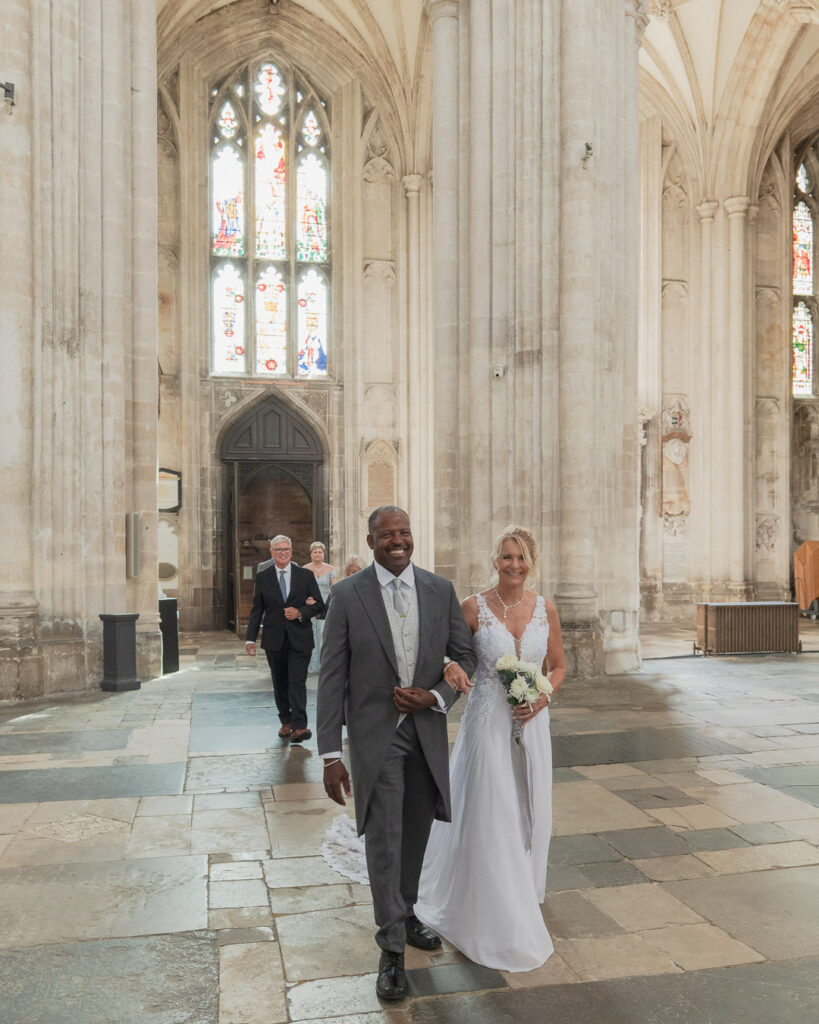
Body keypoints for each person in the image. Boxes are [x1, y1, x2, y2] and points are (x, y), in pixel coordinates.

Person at [317, 506, 476, 1001]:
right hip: (375, 738)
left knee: (414, 836)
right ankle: (390, 953)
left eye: (404, 532)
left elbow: (466, 655)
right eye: (387, 535)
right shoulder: (347, 595)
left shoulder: (438, 589)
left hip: (425, 734)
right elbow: (332, 676)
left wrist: (436, 696)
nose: (398, 540)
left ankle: (405, 917)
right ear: (371, 541)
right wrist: (328, 755)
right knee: (384, 841)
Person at [414, 526, 566, 971]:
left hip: (532, 722)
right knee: (491, 807)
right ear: (495, 561)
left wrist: (542, 697)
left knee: (530, 804)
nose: (513, 566)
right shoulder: (473, 607)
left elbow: (557, 667)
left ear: (531, 562)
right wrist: (451, 668)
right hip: (486, 722)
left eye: (520, 558)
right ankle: (489, 897)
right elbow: (447, 654)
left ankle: (525, 887)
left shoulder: (546, 609)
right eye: (506, 558)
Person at [245, 535, 325, 743]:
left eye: (286, 550)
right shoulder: (264, 577)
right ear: (271, 552)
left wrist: (299, 612)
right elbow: (257, 610)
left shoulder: (305, 575)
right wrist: (250, 638)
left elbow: (319, 606)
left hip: (300, 638)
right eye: (278, 550)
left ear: (291, 551)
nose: (283, 553)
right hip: (274, 638)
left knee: (297, 681)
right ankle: (286, 722)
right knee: (280, 682)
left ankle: (300, 726)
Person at [303, 541, 335, 673]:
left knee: (323, 634)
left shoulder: (330, 569)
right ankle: (311, 666)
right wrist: (306, 599)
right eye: (315, 552)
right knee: (310, 634)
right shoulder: (305, 568)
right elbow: (300, 588)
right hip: (310, 605)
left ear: (324, 554)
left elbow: (334, 588)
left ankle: (324, 665)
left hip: (325, 605)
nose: (317, 554)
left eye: (320, 552)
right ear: (311, 554)